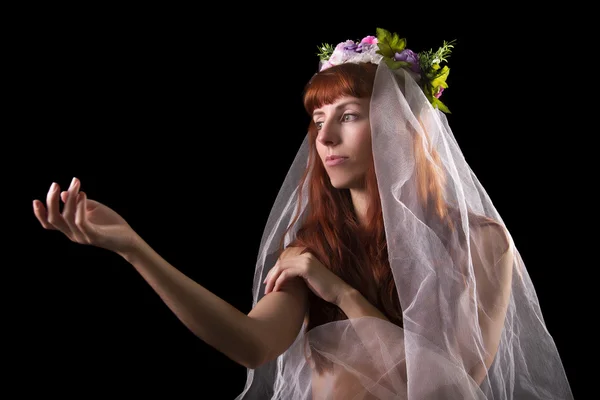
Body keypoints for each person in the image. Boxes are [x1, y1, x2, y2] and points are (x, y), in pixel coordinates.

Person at [33, 28, 573, 399]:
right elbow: (252, 344)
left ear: (402, 126)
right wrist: (134, 249)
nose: (327, 137)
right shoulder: (313, 246)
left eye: (350, 116)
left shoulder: (481, 243)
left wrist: (340, 294)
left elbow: (448, 386)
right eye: (318, 120)